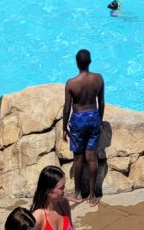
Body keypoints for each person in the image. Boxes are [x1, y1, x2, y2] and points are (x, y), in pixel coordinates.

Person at [62, 49, 105, 208]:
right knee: (92, 158)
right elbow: (101, 102)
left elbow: (67, 109)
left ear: (77, 63)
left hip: (78, 120)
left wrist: (64, 127)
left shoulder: (71, 83)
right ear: (90, 62)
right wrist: (99, 121)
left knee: (78, 158)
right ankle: (92, 197)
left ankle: (78, 194)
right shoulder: (98, 79)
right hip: (93, 117)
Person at [31, 164, 74, 230]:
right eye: (61, 188)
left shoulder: (64, 203)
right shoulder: (38, 216)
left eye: (64, 185)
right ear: (48, 191)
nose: (64, 189)